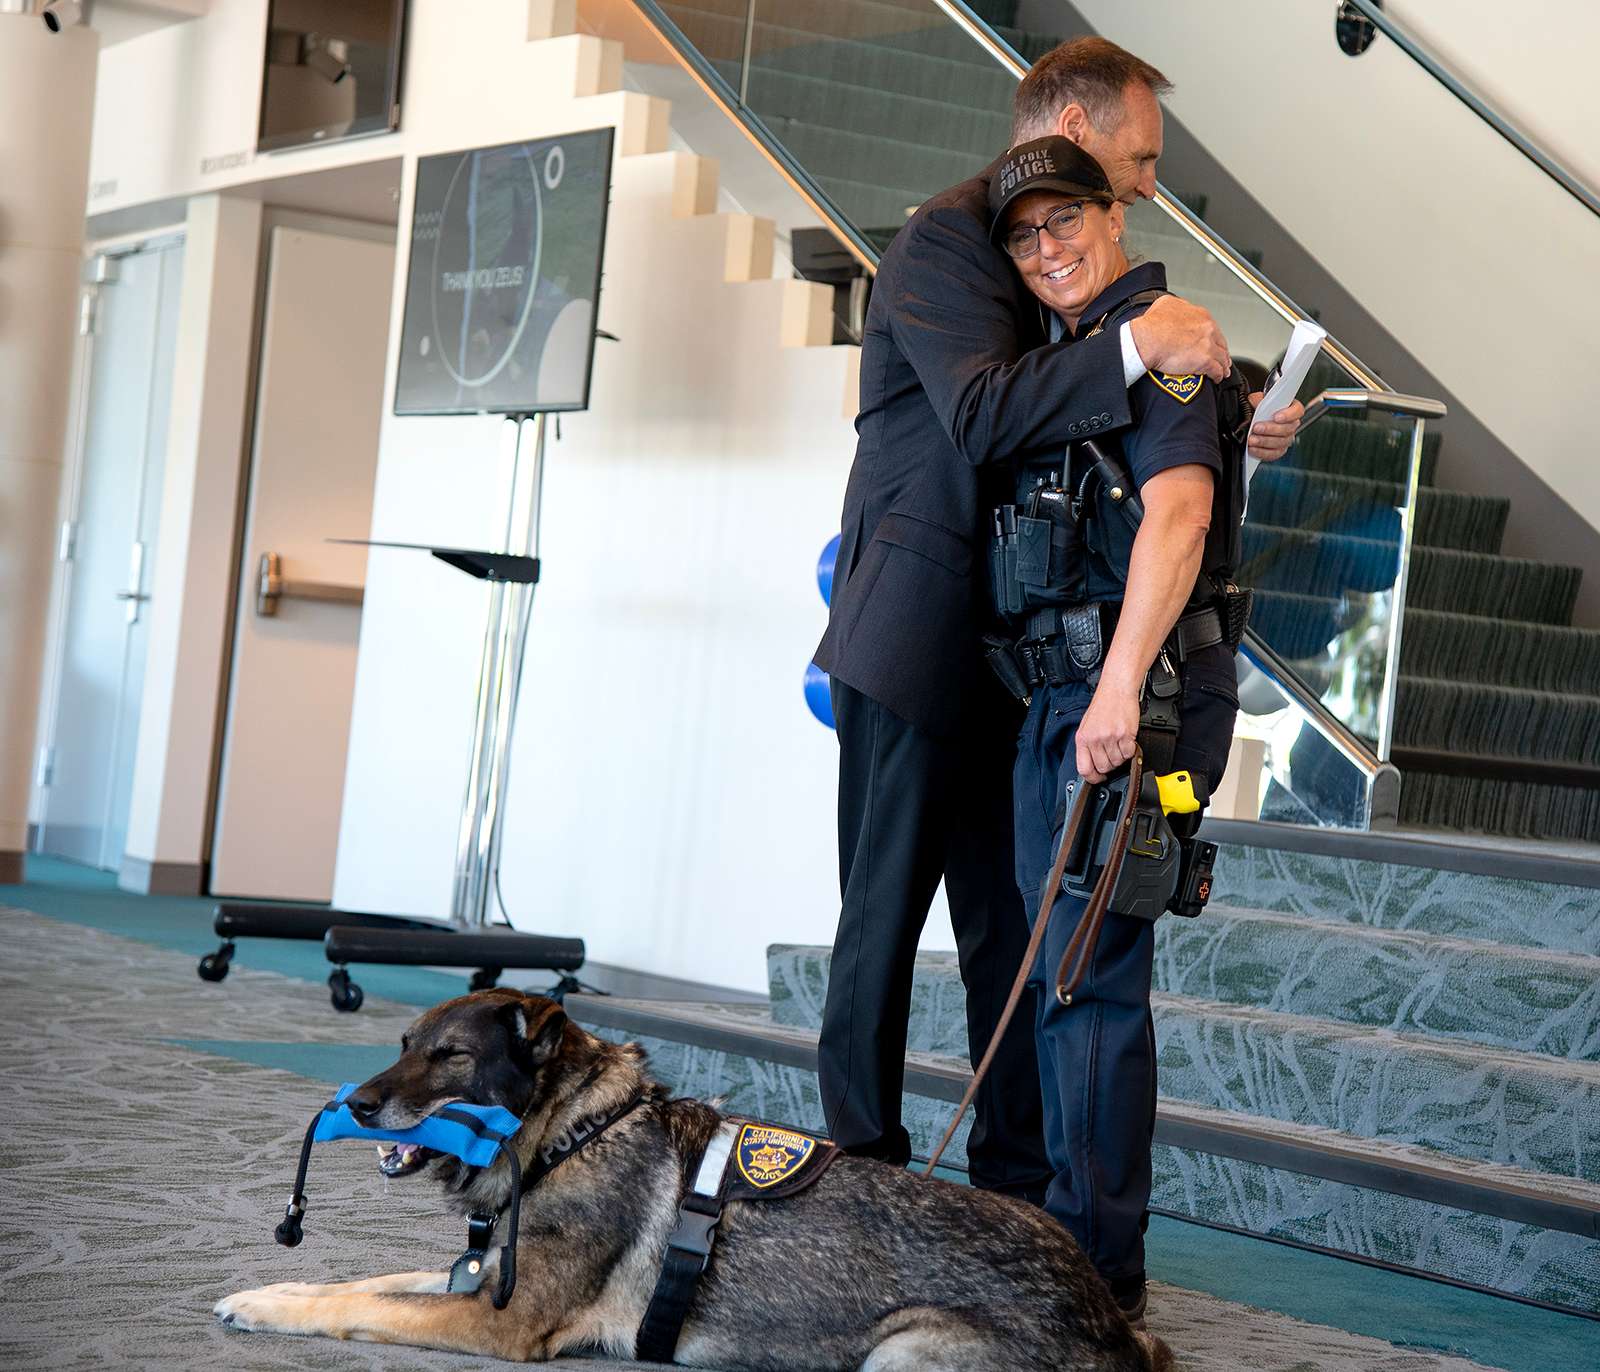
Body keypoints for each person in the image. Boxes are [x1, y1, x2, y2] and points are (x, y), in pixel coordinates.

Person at [811, 35, 1300, 1213]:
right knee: (880, 922)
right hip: (914, 640)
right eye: (1135, 159)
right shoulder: (945, 239)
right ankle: (862, 1188)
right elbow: (984, 417)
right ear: (1072, 137)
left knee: (1007, 936)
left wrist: (1229, 416)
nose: (1143, 184)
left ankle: (1009, 1193)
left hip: (1017, 662)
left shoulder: (1055, 271)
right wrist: (1145, 348)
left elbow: (1086, 426)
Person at [989, 133, 1249, 1324]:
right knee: (1059, 978)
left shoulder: (1169, 350)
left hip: (1125, 708)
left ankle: (1096, 1283)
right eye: (1025, 234)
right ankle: (1061, 1245)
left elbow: (1179, 520)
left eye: (1066, 222)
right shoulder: (1084, 355)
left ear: (1115, 214)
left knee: (1088, 983)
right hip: (1071, 699)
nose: (1048, 250)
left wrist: (1114, 690)